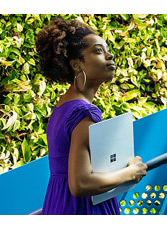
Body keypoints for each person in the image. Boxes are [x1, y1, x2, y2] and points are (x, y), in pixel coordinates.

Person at [35, 17, 147, 215]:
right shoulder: (83, 113)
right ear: (77, 65)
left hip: (57, 203)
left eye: (107, 49)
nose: (109, 55)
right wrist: (131, 172)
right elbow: (81, 183)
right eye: (98, 51)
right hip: (83, 209)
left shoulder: (62, 108)